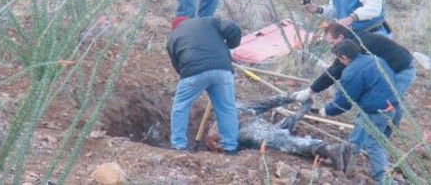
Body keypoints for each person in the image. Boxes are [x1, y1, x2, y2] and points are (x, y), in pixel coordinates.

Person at [293, 22, 415, 138]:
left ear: (341, 37)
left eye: (332, 42)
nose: (331, 46)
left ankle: (380, 139)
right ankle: (376, 137)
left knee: (388, 102)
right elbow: (336, 68)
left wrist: (311, 91)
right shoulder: (351, 41)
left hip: (401, 70)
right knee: (386, 101)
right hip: (391, 67)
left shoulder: (356, 45)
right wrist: (311, 90)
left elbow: (336, 70)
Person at [314, 39, 398, 185]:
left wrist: (326, 110)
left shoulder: (352, 71)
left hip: (378, 110)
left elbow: (344, 101)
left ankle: (385, 181)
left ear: (344, 57)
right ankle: (347, 163)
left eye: (339, 58)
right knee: (358, 131)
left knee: (373, 144)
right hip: (389, 105)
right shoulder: (375, 59)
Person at [206, 95, 352, 172]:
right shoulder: (240, 107)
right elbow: (269, 102)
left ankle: (325, 148)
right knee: (280, 136)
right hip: (255, 127)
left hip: (247, 132)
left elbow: (214, 138)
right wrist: (291, 97)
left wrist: (218, 146)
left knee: (281, 141)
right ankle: (327, 148)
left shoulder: (221, 118)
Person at [166, 16, 241, 155]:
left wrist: (192, 76)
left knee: (180, 106)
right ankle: (230, 148)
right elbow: (230, 26)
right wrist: (233, 44)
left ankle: (178, 146)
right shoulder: (208, 21)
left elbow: (178, 66)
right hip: (222, 69)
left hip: (193, 72)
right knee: (226, 108)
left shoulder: (172, 37)